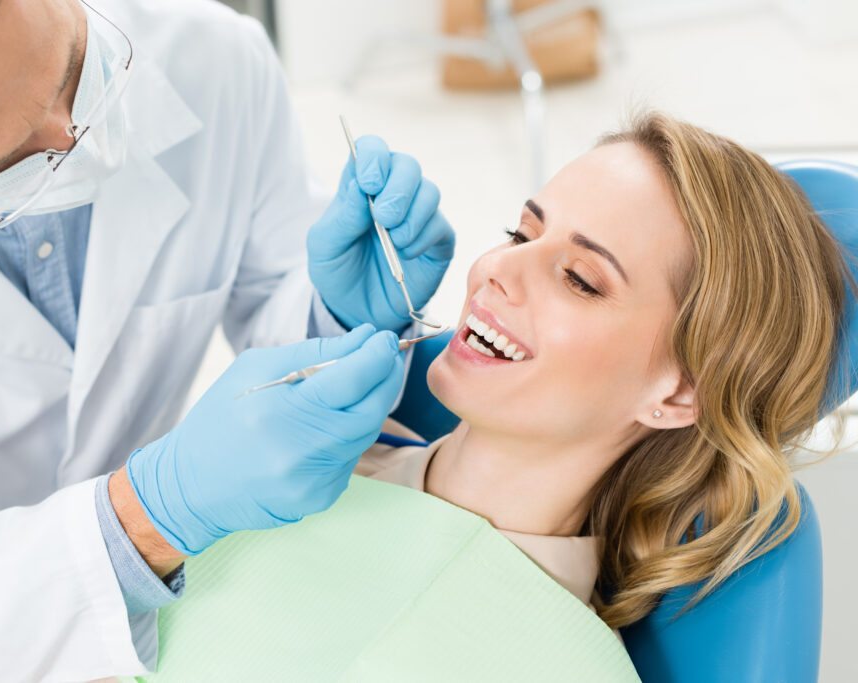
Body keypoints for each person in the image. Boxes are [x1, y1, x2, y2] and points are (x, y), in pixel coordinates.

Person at [0, 0, 455, 679]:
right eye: (11, 161)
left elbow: (271, 294)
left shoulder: (214, 57)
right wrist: (145, 517)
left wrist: (334, 314)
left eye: (74, 69)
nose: (78, 138)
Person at [136, 111, 850, 677]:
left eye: (580, 279)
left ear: (679, 392)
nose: (495, 270)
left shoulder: (567, 664)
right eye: (520, 232)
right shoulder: (270, 461)